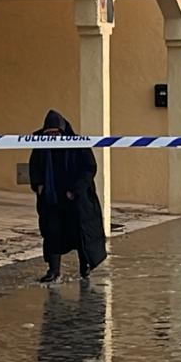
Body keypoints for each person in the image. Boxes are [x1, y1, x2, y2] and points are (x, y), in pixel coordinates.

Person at [28, 109, 107, 282]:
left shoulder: (78, 144)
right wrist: (39, 185)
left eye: (56, 134)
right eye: (49, 134)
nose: (53, 138)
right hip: (52, 200)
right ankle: (53, 270)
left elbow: (89, 169)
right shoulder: (39, 146)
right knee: (52, 233)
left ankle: (85, 266)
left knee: (79, 233)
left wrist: (76, 190)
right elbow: (34, 167)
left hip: (75, 200)